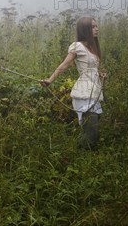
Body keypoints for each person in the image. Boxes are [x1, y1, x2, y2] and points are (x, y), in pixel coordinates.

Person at [40, 17, 107, 150]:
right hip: (84, 92)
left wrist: (100, 74)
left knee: (92, 128)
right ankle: (79, 154)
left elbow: (91, 69)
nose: (96, 29)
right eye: (93, 27)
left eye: (96, 26)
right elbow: (64, 65)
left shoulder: (92, 48)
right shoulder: (77, 46)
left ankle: (80, 153)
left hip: (94, 90)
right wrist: (50, 80)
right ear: (85, 29)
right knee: (91, 132)